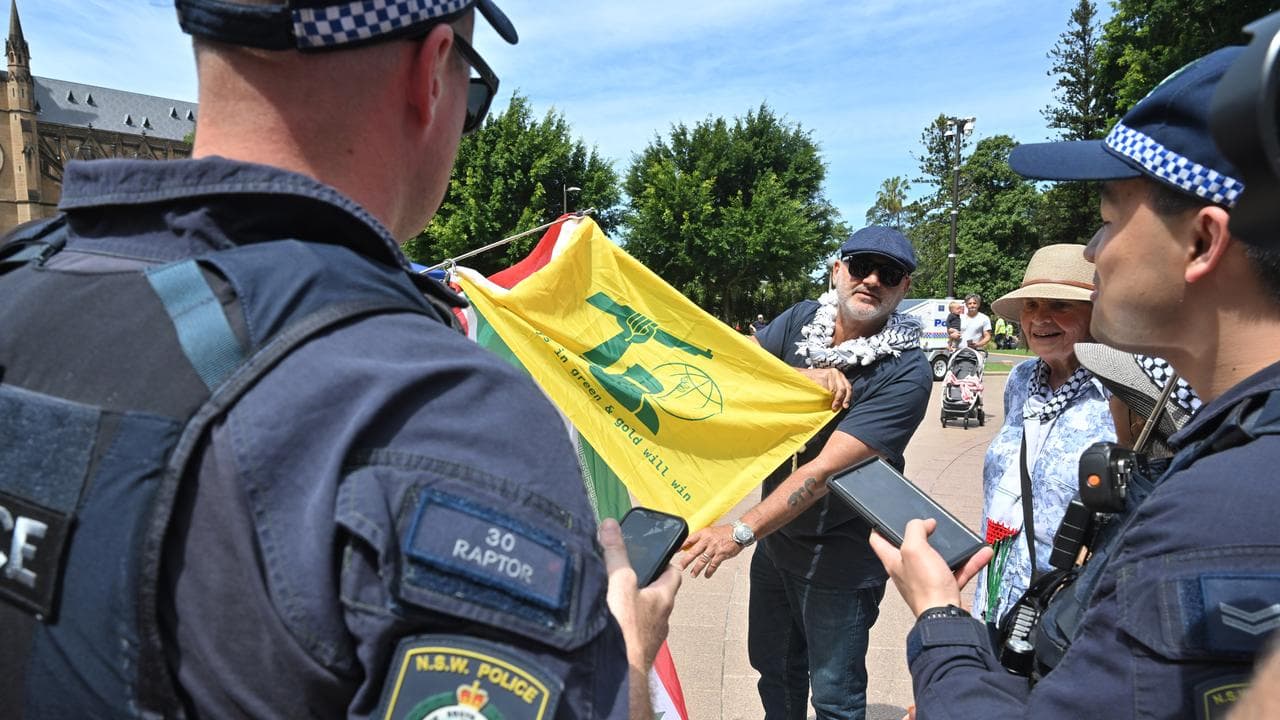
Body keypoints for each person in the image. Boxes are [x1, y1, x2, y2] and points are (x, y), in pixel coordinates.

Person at [0, 1, 678, 718]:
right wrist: (629, 668)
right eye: (473, 89)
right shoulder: (435, 413)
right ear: (431, 73)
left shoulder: (18, 288)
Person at [869, 44, 1280, 719]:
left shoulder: (1212, 515)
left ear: (1204, 242)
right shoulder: (1226, 452)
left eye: (1111, 219)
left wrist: (939, 622)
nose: (1095, 252)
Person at [680, 226, 933, 720]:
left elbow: (823, 473)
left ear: (904, 288)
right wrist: (799, 376)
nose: (872, 280)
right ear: (837, 270)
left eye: (890, 274)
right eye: (861, 266)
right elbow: (732, 367)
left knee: (834, 693)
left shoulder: (907, 371)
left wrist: (737, 532)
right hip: (779, 543)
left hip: (842, 554)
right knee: (772, 668)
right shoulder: (800, 321)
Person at [972, 244, 1115, 627]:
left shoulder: (1121, 391)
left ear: (1097, 312)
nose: (1040, 318)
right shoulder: (1020, 381)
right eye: (1031, 305)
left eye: (1060, 305)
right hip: (1000, 583)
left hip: (1070, 602)